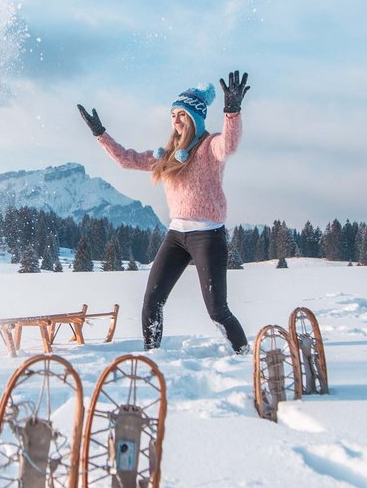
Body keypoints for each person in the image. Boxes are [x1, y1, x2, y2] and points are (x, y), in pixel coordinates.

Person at [77, 70, 250, 355]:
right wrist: (100, 134)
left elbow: (229, 145)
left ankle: (244, 355)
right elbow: (126, 160)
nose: (176, 120)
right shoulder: (168, 155)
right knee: (151, 302)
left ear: (195, 118)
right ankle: (152, 356)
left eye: (182, 114)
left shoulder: (209, 147)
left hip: (207, 235)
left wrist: (231, 112)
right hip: (177, 235)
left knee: (217, 310)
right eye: (173, 114)